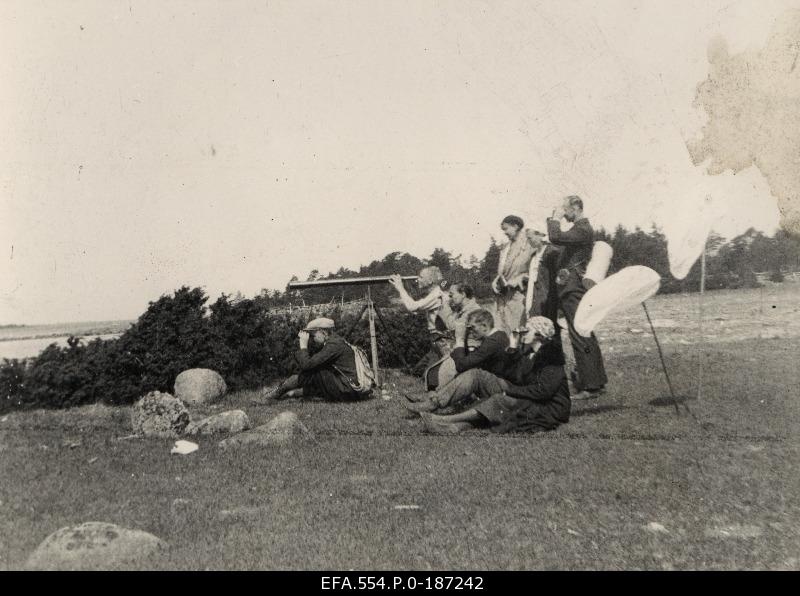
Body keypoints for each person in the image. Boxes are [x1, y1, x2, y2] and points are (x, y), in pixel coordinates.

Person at [418, 316, 571, 434]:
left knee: (499, 401)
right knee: (477, 375)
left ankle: (444, 421)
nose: (522, 333)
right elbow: (517, 377)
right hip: (525, 393)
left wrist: (510, 391)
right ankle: (436, 404)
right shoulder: (530, 352)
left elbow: (543, 391)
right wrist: (512, 348)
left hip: (549, 406)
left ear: (539, 335)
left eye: (527, 330)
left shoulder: (552, 358)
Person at [546, 195, 608, 400]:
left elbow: (555, 237)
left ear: (576, 207)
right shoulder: (578, 229)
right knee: (582, 331)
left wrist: (554, 218)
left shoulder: (582, 229)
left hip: (573, 288)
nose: (564, 213)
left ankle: (591, 387)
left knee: (579, 333)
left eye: (566, 209)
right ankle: (595, 383)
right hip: (571, 287)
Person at [404, 309, 509, 412]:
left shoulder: (493, 341)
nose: (470, 331)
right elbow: (464, 359)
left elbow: (461, 365)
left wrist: (460, 339)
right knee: (468, 369)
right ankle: (432, 398)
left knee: (471, 374)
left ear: (484, 326)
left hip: (501, 388)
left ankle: (433, 402)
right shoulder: (498, 336)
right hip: (496, 382)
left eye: (472, 327)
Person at [253, 317, 366, 403]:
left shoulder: (333, 345)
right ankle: (283, 392)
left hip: (348, 391)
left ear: (323, 332)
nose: (312, 338)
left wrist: (303, 345)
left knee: (314, 370)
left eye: (313, 335)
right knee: (315, 370)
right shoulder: (336, 341)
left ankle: (276, 393)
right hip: (351, 390)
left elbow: (306, 365)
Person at [492, 215, 545, 335]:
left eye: (506, 229)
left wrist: (522, 278)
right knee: (502, 332)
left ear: (515, 226)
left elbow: (538, 270)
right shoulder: (505, 248)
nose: (504, 233)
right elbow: (503, 272)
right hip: (503, 298)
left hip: (519, 296)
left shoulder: (530, 244)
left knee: (517, 332)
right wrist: (496, 280)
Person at [388, 266, 452, 332]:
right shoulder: (438, 291)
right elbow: (415, 305)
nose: (417, 279)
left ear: (430, 281)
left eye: (421, 277)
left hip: (444, 339)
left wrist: (400, 287)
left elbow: (412, 307)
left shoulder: (437, 294)